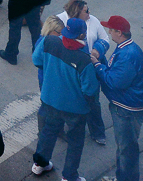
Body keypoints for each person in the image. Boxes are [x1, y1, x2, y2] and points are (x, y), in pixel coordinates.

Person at [31, 16, 99, 181]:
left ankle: (40, 164)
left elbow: (36, 60)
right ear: (82, 36)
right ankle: (69, 176)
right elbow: (90, 90)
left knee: (48, 131)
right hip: (75, 109)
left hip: (50, 100)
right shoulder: (84, 60)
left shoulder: (49, 42)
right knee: (75, 142)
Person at [89, 15, 143, 181]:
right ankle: (122, 177)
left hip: (126, 110)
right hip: (128, 107)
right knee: (125, 148)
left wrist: (97, 66)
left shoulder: (128, 54)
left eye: (111, 30)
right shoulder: (127, 48)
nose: (109, 32)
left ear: (119, 32)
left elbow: (115, 82)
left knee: (127, 150)